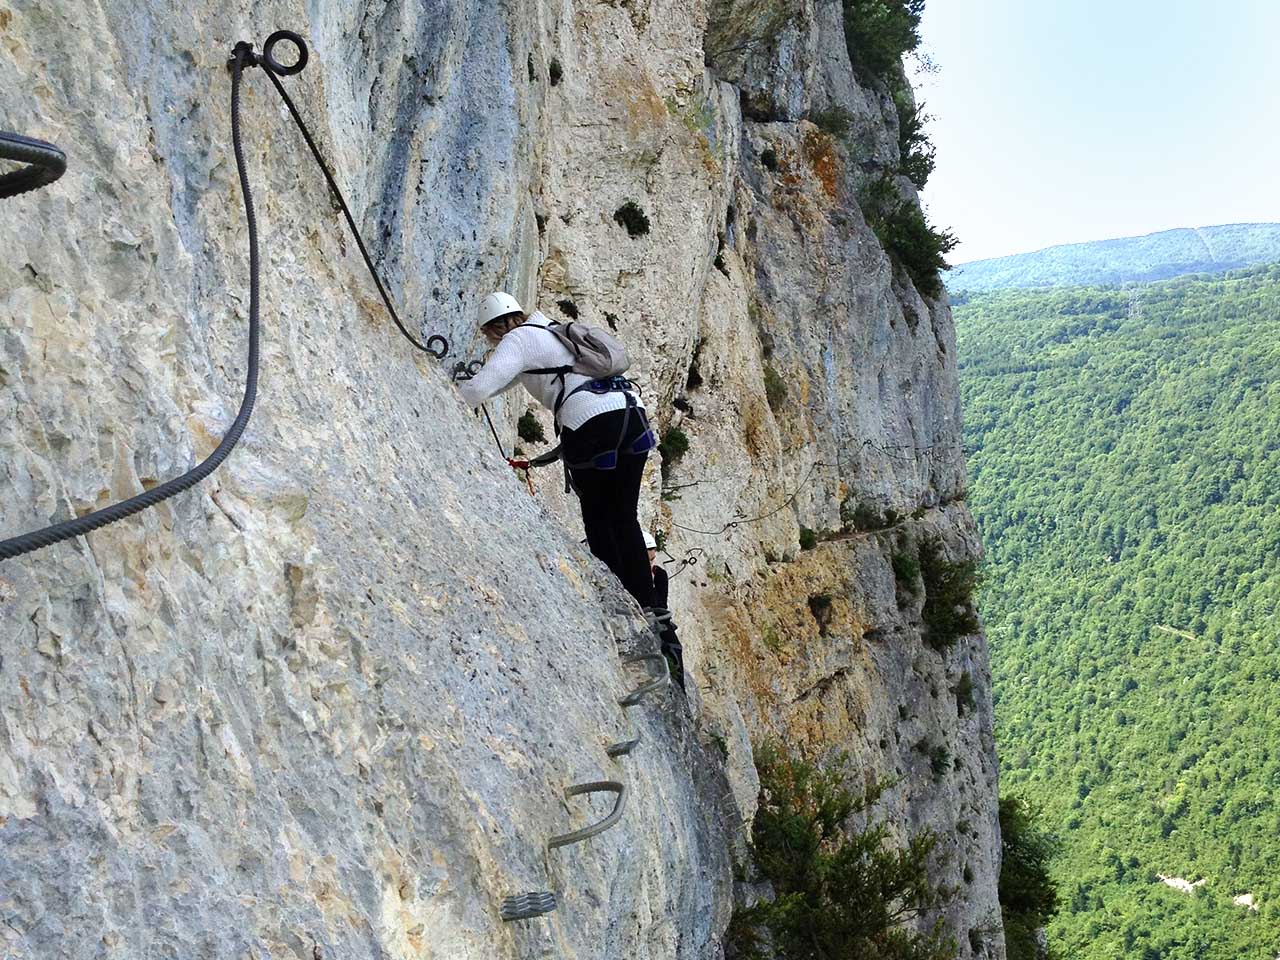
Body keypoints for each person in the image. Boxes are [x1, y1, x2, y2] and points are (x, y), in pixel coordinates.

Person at [459, 291, 658, 612]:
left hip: (591, 422)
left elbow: (480, 388)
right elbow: (512, 380)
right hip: (633, 415)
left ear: (493, 328)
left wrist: (446, 394)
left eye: (487, 335)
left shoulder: (517, 340)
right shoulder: (553, 331)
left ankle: (618, 603)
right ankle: (648, 605)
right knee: (624, 516)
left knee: (597, 515)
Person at [644, 531, 685, 689]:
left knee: (675, 648)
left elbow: (662, 606)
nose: (651, 563)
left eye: (653, 559)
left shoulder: (659, 575)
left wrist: (650, 582)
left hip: (658, 618)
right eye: (647, 560)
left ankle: (680, 690)